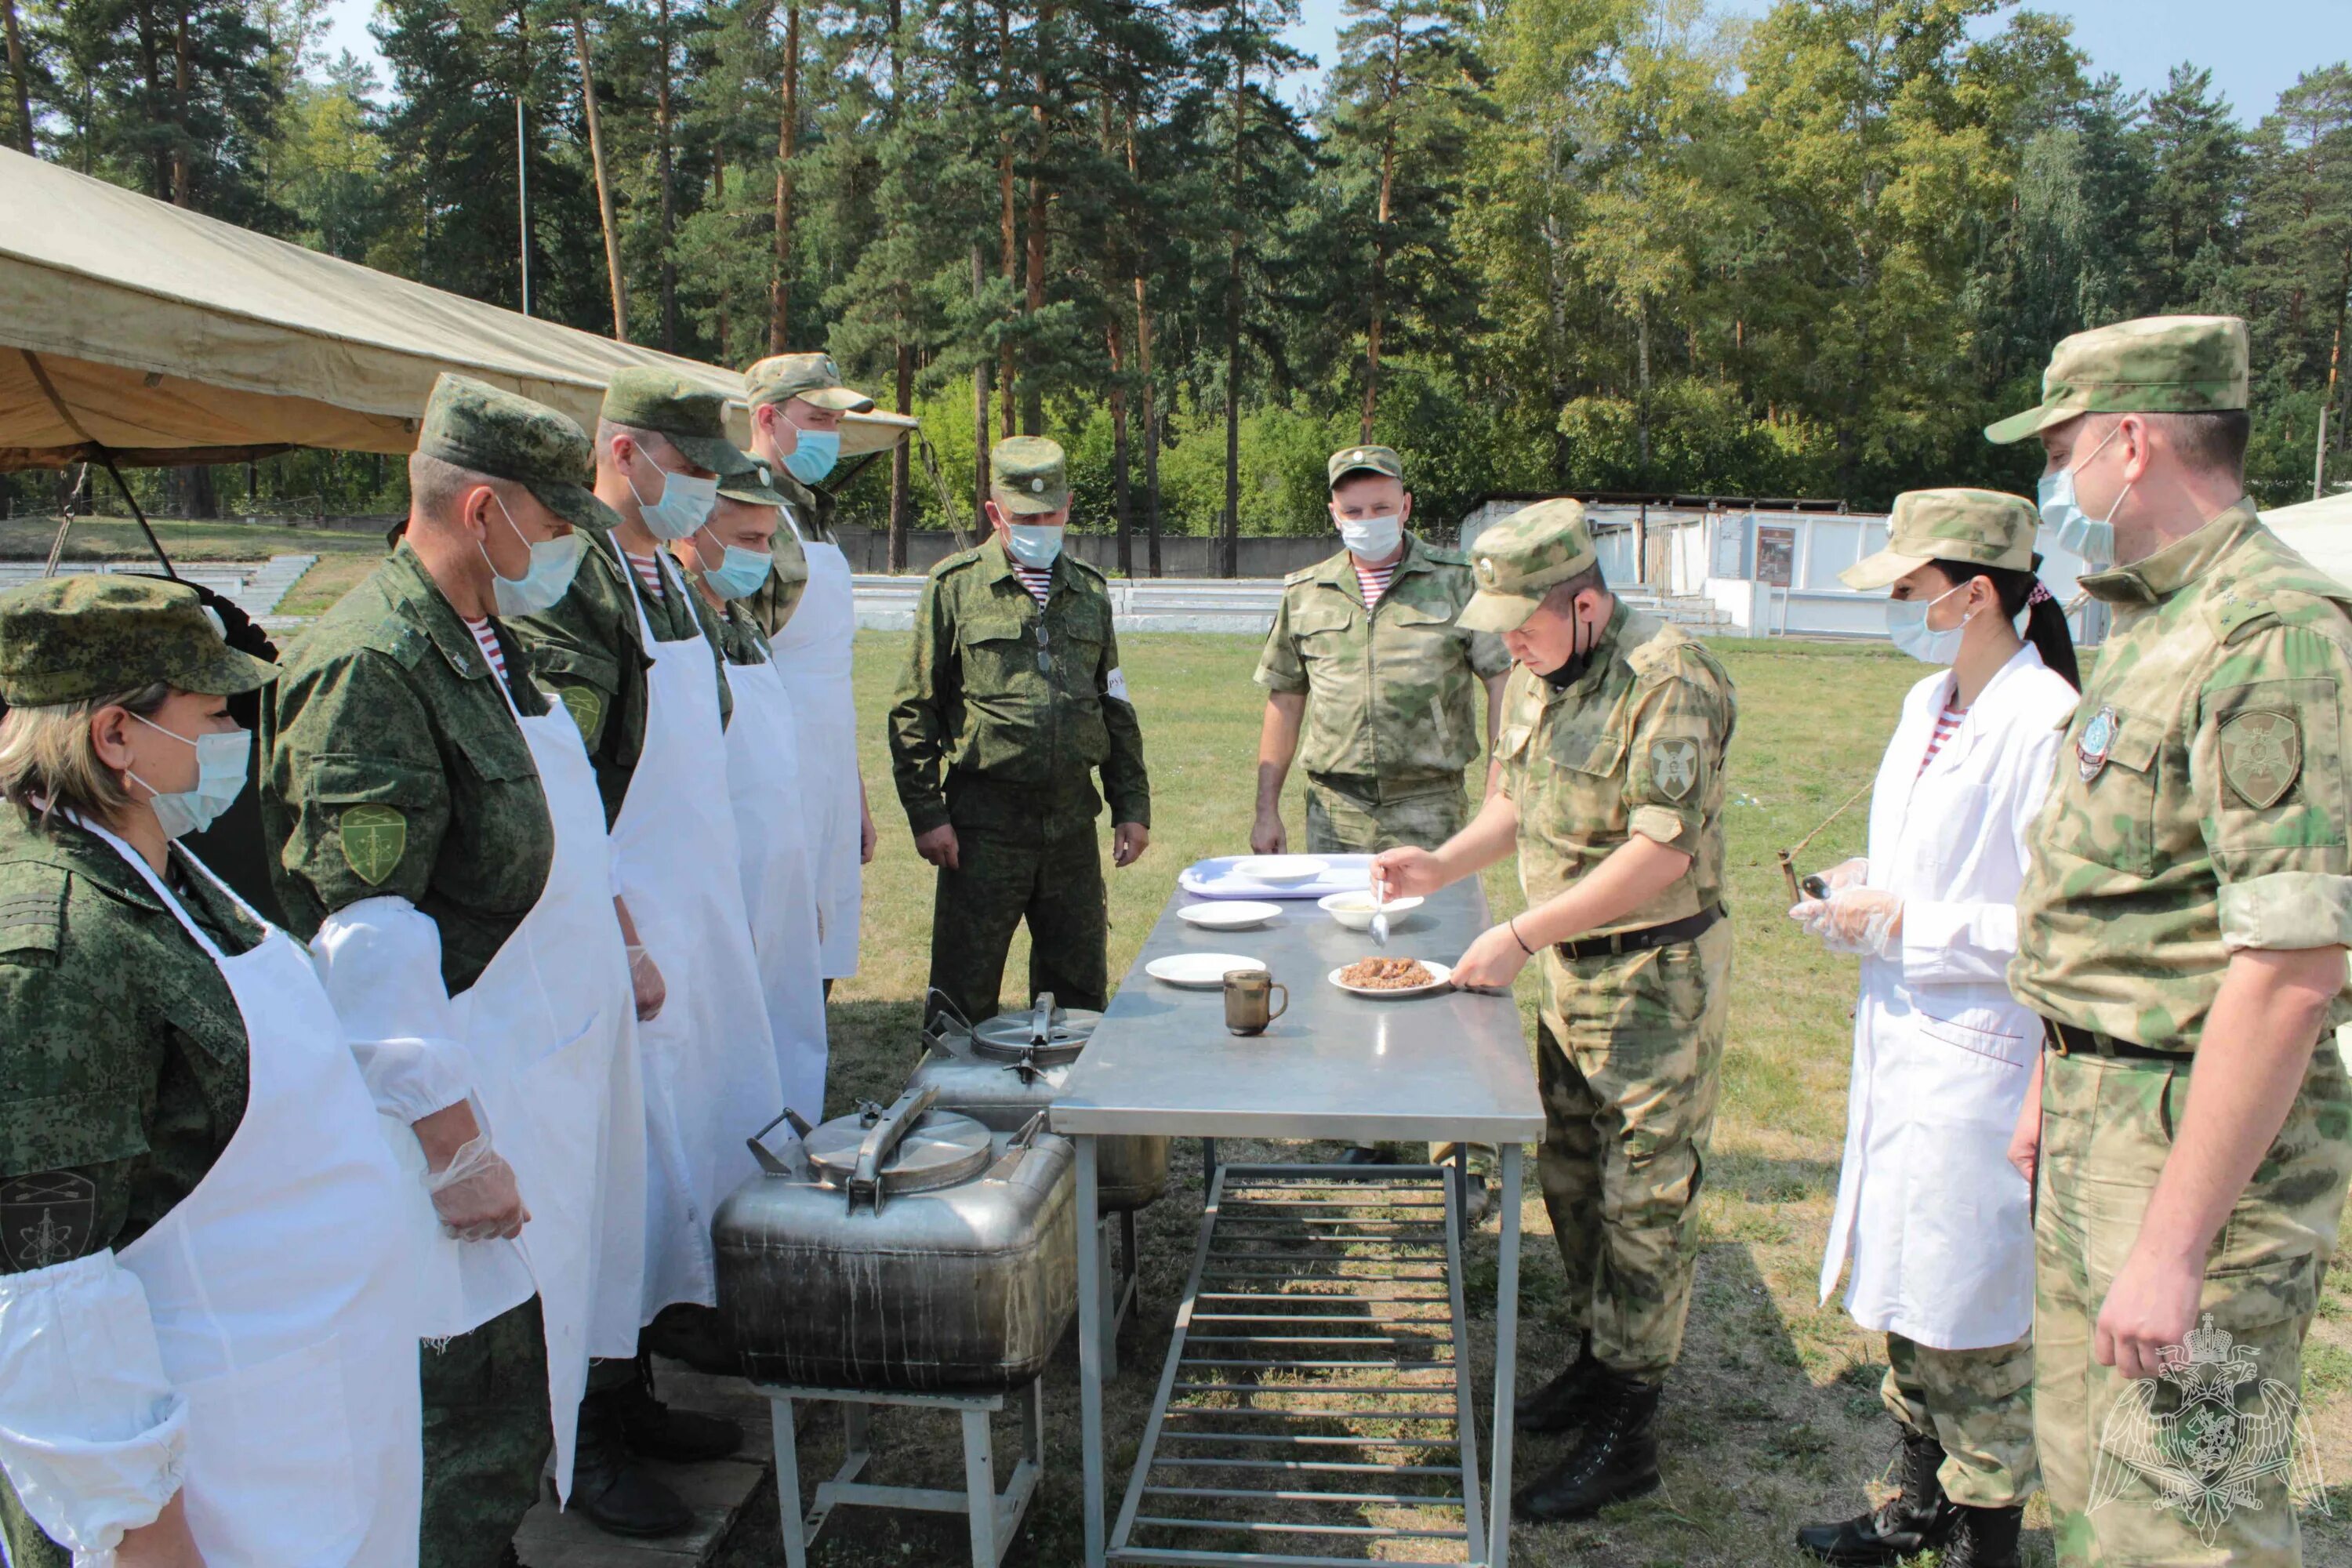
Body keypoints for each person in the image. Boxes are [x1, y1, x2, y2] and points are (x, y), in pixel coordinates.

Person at [264, 374, 655, 1567]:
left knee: (522, 1371)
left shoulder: (490, 644)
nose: (559, 548)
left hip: (538, 1069)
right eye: (547, 523)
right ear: (482, 509)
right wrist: (457, 1145)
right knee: (458, 1395)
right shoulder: (372, 666)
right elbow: (365, 940)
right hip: (449, 1102)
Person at [1993, 315, 2352, 1568]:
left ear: (2131, 442)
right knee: (2097, 1494)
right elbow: (2125, 905)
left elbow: (2293, 968)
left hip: (2193, 1157)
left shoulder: (2275, 635)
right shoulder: (2153, 621)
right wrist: (2056, 1072)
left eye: (2060, 448)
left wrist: (2177, 1244)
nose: (2055, 480)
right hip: (2104, 1116)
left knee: (2194, 1527)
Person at [0, 577, 426, 1567]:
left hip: (302, 1414)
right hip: (214, 1474)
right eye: (214, 713)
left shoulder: (151, 858)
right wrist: (143, 1529)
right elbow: (42, 1281)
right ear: (116, 736)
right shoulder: (55, 946)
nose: (239, 731)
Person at [1371, 499, 1736, 1522]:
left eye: (1523, 622)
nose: (1510, 643)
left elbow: (1657, 853)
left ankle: (1631, 1423)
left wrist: (1524, 934)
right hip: (1577, 973)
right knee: (1574, 1180)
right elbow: (1514, 803)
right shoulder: (1539, 673)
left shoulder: (1670, 681)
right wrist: (1440, 863)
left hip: (1656, 980)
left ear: (1586, 601)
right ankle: (1596, 1353)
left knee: (1643, 1198)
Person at [506, 367, 781, 1538]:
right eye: (692, 469)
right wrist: (617, 933)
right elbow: (564, 784)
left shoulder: (668, 574)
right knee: (610, 1187)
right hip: (618, 925)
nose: (705, 493)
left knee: (672, 1172)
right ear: (626, 454)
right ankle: (590, 1435)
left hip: (693, 918)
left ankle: (645, 1382)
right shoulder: (575, 586)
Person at [1788, 489, 2081, 1568]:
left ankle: (1987, 1536)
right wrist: (1857, 894)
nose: (1901, 604)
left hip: (1986, 1055)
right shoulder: (1927, 702)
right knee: (1911, 1289)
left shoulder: (2045, 718)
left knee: (1977, 1316)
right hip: (1905, 1035)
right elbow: (1918, 861)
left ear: (1977, 593)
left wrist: (1913, 919)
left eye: (1913, 587)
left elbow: (2056, 923)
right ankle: (1919, 1503)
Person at [1252, 441, 1510, 1181]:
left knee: (1451, 970)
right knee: (1346, 965)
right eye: (1353, 510)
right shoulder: (1307, 593)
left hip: (1432, 808)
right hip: (1335, 810)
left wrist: (1501, 787)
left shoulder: (1459, 584)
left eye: (1381, 507)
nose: (1368, 520)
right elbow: (1284, 700)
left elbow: (1502, 686)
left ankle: (1459, 1144)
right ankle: (1366, 1119)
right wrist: (1265, 808)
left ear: (1406, 507)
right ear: (1333, 513)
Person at [887, 435, 1151, 1026]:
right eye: (1024, 518)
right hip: (984, 826)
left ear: (1069, 506)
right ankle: (948, 1112)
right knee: (963, 992)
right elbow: (914, 707)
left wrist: (1131, 803)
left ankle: (1066, 1112)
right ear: (994, 513)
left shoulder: (1090, 591)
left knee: (1078, 991)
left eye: (1049, 515)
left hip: (1071, 826)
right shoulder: (954, 587)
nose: (1039, 526)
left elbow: (1114, 704)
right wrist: (927, 814)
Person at [668, 462, 831, 1122]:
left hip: (777, 874)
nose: (760, 556)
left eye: (767, 541)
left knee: (786, 1029)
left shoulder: (744, 624)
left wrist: (801, 888)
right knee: (723, 1053)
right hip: (716, 879)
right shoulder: (676, 625)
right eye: (746, 539)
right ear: (693, 532)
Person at [742, 351, 881, 991]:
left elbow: (831, 671)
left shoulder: (811, 512)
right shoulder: (742, 515)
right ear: (768, 418)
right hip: (768, 756)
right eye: (817, 418)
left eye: (835, 422)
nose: (831, 434)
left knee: (821, 935)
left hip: (824, 751)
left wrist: (850, 788)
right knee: (771, 940)